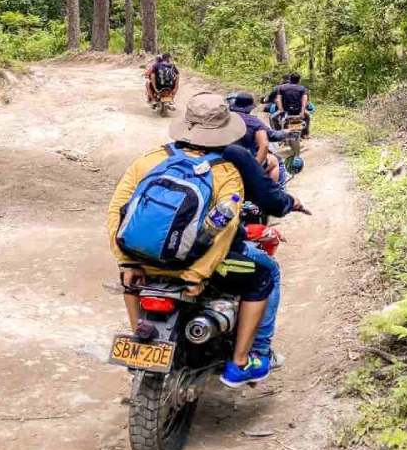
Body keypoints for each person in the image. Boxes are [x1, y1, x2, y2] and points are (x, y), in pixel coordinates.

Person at [106, 92, 302, 387]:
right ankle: (243, 361)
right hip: (198, 269)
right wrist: (195, 274)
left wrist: (126, 261)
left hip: (143, 264)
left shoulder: (152, 159)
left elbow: (116, 210)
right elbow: (225, 226)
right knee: (266, 273)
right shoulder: (226, 169)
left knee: (132, 281)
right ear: (225, 128)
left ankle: (142, 341)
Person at [228, 92, 285, 184]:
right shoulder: (254, 122)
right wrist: (286, 132)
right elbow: (271, 137)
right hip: (247, 159)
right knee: (276, 162)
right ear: (250, 108)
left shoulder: (224, 119)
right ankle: (275, 192)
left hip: (225, 159)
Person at [274, 72, 311, 138]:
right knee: (308, 116)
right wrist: (302, 112)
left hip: (286, 110)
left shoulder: (281, 87)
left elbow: (278, 100)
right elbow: (304, 101)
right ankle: (305, 134)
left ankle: (279, 134)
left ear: (290, 79)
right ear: (299, 80)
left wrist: (281, 110)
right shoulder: (303, 88)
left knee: (273, 118)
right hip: (298, 111)